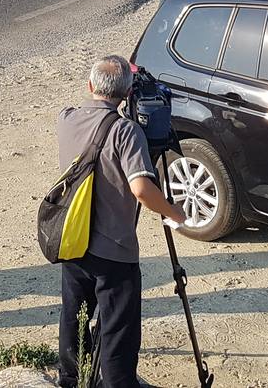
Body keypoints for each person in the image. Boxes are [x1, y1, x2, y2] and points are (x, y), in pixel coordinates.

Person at [55, 55, 187, 388]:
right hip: (113, 251)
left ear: (89, 86)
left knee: (74, 317)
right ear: (128, 93)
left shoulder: (66, 119)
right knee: (118, 331)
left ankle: (73, 379)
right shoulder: (126, 132)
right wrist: (174, 213)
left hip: (72, 239)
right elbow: (142, 188)